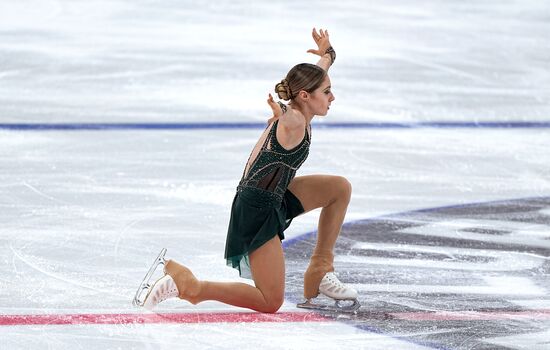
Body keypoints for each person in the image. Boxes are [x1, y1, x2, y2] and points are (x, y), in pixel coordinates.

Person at [134, 28, 358, 313]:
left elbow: (321, 68)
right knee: (270, 301)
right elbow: (288, 116)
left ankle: (320, 270)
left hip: (276, 194)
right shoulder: (296, 120)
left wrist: (327, 53)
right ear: (304, 95)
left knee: (339, 188)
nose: (332, 97)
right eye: (327, 92)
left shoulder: (303, 104)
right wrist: (281, 112)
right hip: (257, 207)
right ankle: (189, 285)